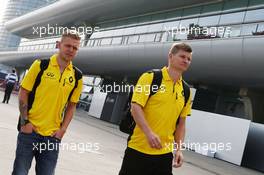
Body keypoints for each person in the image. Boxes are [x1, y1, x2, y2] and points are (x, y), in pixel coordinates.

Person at [12, 31, 83, 175]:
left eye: (75, 48)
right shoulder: (40, 65)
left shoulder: (77, 76)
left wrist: (62, 130)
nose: (71, 50)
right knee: (19, 173)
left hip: (52, 137)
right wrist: (25, 122)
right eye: (68, 46)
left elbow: (72, 106)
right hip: (30, 132)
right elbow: (23, 93)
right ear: (59, 45)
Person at [119, 43, 193, 175]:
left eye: (189, 59)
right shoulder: (150, 77)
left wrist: (179, 150)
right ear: (170, 56)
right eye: (182, 56)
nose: (186, 60)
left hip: (164, 154)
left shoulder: (186, 90)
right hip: (138, 149)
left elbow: (181, 124)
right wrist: (149, 134)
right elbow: (135, 107)